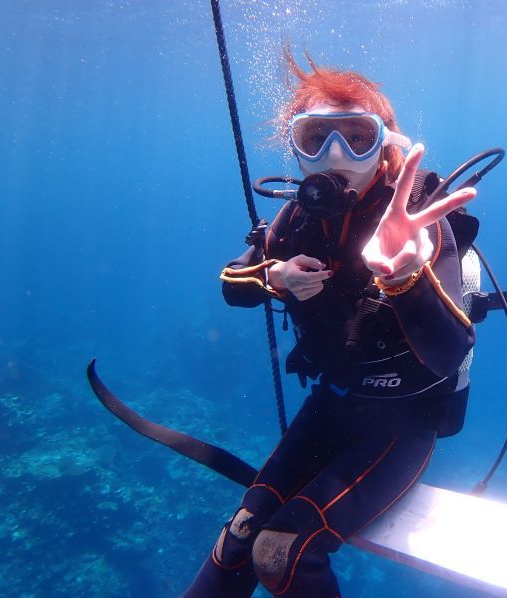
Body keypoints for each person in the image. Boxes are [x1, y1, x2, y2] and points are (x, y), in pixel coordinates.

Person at [185, 50, 477, 598]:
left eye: (357, 138)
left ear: (386, 144)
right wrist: (275, 277)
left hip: (403, 420)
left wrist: (407, 276)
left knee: (284, 550)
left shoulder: (416, 220)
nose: (335, 155)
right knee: (239, 538)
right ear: (294, 148)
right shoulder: (297, 219)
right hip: (332, 402)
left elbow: (450, 353)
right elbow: (232, 285)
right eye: (315, 137)